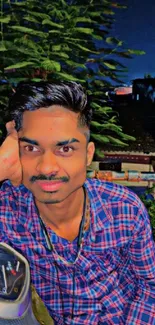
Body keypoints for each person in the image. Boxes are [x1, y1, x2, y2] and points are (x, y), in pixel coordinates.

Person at [0, 81, 155, 325]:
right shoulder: (9, 209)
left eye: (65, 149)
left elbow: (149, 285)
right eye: (31, 147)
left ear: (88, 154)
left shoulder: (125, 209)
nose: (47, 168)